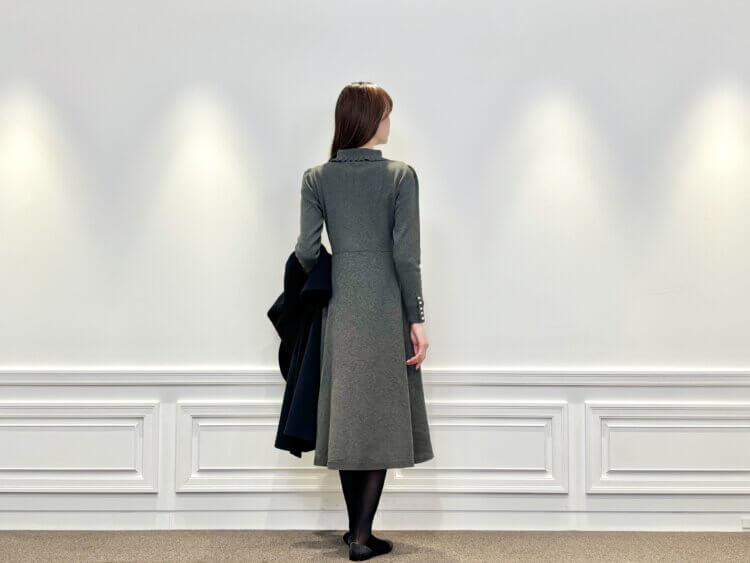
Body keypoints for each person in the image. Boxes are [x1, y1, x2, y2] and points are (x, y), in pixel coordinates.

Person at [293, 81, 434, 560]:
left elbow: (307, 251)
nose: (389, 122)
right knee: (379, 417)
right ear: (370, 120)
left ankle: (358, 531)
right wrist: (417, 317)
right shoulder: (400, 176)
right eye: (386, 114)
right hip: (385, 306)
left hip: (340, 307)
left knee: (349, 417)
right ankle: (360, 535)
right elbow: (407, 257)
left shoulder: (316, 178)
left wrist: (339, 270)